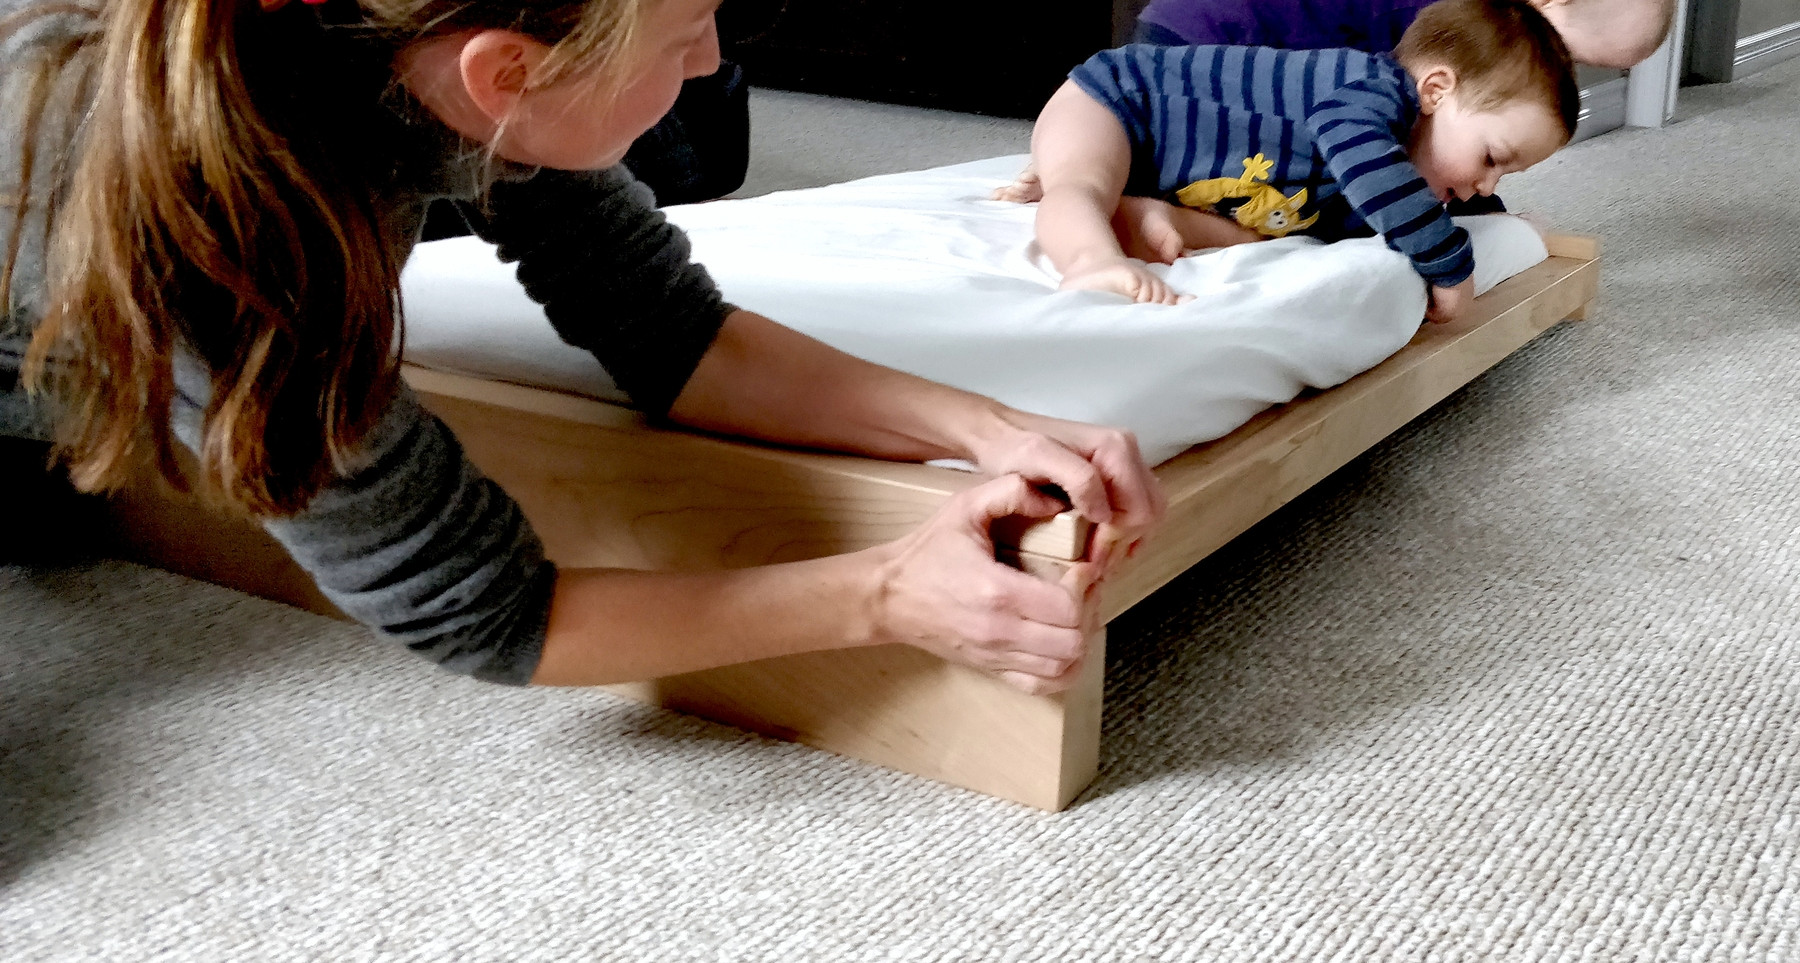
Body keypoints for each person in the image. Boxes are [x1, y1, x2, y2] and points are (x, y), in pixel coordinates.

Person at [0, 0, 1164, 695]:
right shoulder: (229, 234)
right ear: (507, 71)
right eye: (683, 32)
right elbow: (488, 614)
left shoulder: (447, 65)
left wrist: (989, 425)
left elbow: (676, 336)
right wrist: (888, 593)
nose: (709, 61)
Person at [1009, 0, 1579, 316]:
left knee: (1284, 236)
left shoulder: (1377, 179)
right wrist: (1448, 261)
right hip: (1121, 102)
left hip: (1176, 167)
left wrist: (1492, 218)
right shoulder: (1368, 90)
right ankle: (1089, 258)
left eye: (1503, 174)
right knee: (1080, 186)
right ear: (1433, 90)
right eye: (1491, 157)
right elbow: (1369, 163)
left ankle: (1147, 209)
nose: (1485, 183)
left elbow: (1396, 202)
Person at [1133, 0, 1675, 71]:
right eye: (1564, 54)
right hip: (1224, 38)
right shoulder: (1460, 16)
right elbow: (1419, 119)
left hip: (1191, 22)